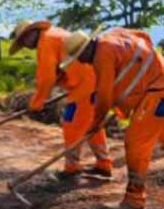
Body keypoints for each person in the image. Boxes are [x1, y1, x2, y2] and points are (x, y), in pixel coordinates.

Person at [62, 27, 164, 209]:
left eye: (80, 57)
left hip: (158, 92)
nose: (82, 62)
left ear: (86, 50)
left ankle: (134, 200)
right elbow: (144, 36)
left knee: (135, 142)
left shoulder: (101, 56)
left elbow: (104, 98)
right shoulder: (115, 34)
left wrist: (96, 123)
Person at [8, 20, 113, 180]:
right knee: (91, 125)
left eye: (24, 40)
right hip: (94, 81)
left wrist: (37, 102)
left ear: (32, 33)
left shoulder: (45, 42)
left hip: (84, 86)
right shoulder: (54, 35)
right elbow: (61, 69)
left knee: (71, 124)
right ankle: (103, 164)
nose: (26, 45)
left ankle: (72, 167)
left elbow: (46, 78)